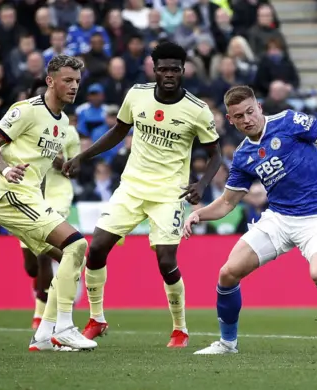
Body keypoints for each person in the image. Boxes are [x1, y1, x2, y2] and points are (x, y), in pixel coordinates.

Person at [183, 85, 317, 355]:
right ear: (231, 119)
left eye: (250, 111)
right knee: (227, 273)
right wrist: (199, 213)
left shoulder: (290, 122)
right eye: (239, 116)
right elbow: (226, 203)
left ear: (259, 107)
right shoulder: (243, 155)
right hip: (279, 219)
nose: (247, 119)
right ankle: (227, 343)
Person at [62, 40, 222, 348]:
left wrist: (201, 185)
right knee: (95, 250)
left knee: (165, 261)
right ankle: (96, 318)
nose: (169, 74)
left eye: (174, 69)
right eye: (163, 69)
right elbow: (118, 132)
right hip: (132, 187)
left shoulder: (197, 110)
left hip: (169, 194)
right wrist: (83, 156)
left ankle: (180, 329)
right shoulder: (136, 95)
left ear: (183, 70)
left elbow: (216, 155)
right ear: (155, 70)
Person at [0, 55, 97, 352]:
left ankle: (45, 334)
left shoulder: (60, 123)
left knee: (71, 255)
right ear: (50, 81)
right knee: (77, 244)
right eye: (67, 80)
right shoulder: (27, 111)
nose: (74, 87)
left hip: (30, 196)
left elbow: (42, 164)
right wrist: (6, 170)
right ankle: (66, 327)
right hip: (10, 196)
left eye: (77, 82)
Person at [20, 83, 82, 331]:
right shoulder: (23, 127)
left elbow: (73, 170)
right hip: (29, 195)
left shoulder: (67, 129)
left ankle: (41, 312)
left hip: (57, 196)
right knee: (31, 266)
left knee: (45, 254)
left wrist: (57, 158)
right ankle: (49, 292)